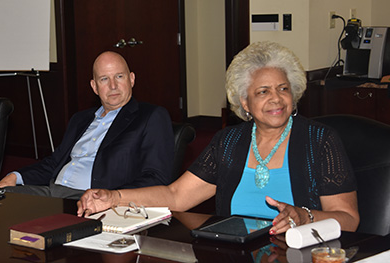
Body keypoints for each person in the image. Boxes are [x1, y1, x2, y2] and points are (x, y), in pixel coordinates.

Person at [77, 41, 359, 234]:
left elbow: (349, 220)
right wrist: (114, 197)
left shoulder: (319, 140)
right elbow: (176, 196)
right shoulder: (229, 142)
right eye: (262, 91)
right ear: (244, 103)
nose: (276, 98)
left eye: (283, 89)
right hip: (234, 253)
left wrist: (304, 217)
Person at [0, 51, 174, 199]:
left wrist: (113, 197)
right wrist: (15, 176)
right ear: (94, 87)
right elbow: (54, 163)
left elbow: (157, 177)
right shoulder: (80, 119)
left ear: (132, 79)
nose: (113, 85)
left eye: (119, 76)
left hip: (90, 200)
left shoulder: (151, 116)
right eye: (104, 79)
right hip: (51, 192)